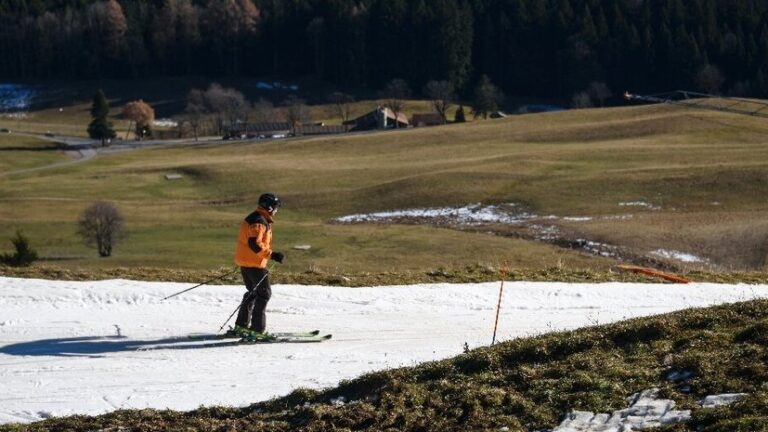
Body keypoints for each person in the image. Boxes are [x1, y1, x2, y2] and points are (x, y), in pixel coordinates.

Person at [231, 193, 285, 338]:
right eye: (275, 207)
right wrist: (272, 255)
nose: (276, 210)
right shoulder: (259, 222)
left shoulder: (255, 218)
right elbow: (254, 244)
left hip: (247, 262)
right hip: (254, 264)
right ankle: (257, 330)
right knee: (264, 294)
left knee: (253, 293)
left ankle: (241, 326)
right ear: (269, 208)